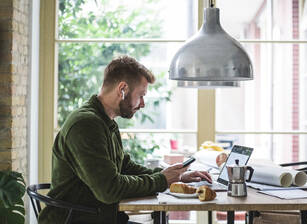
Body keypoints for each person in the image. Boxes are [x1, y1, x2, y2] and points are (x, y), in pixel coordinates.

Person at [38, 55, 212, 224]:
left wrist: (176, 176)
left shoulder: (105, 122)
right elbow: (110, 189)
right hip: (77, 220)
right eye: (141, 95)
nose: (142, 103)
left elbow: (125, 166)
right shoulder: (86, 125)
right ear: (122, 89)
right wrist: (162, 180)